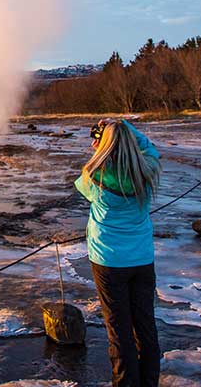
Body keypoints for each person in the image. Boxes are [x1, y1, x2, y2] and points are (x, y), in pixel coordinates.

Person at [74, 119, 162, 387]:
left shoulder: (94, 174)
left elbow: (82, 188)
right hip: (142, 259)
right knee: (145, 327)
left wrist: (101, 146)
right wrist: (124, 127)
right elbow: (151, 149)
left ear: (105, 145)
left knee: (119, 331)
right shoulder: (147, 172)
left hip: (108, 261)